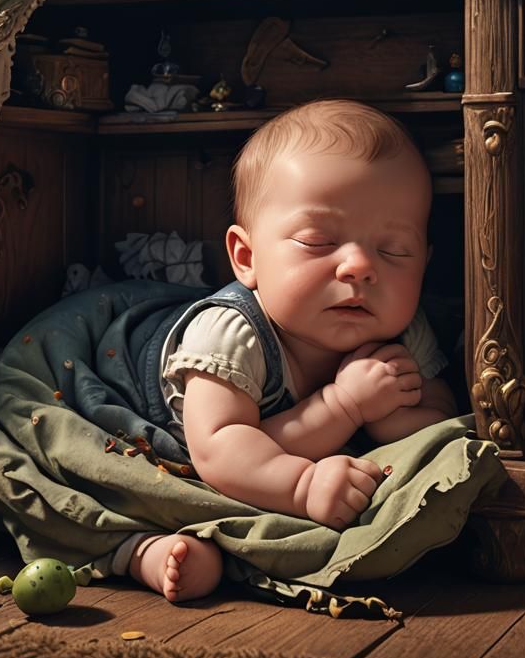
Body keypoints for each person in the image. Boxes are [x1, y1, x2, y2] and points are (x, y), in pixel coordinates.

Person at [124, 99, 456, 602]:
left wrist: (391, 416)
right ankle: (140, 551)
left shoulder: (404, 328)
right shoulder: (231, 334)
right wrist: (334, 428)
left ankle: (212, 550)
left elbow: (442, 410)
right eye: (319, 241)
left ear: (424, 262)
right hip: (134, 396)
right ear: (247, 256)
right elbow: (220, 449)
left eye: (394, 251)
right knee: (106, 477)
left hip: (272, 464)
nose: (360, 267)